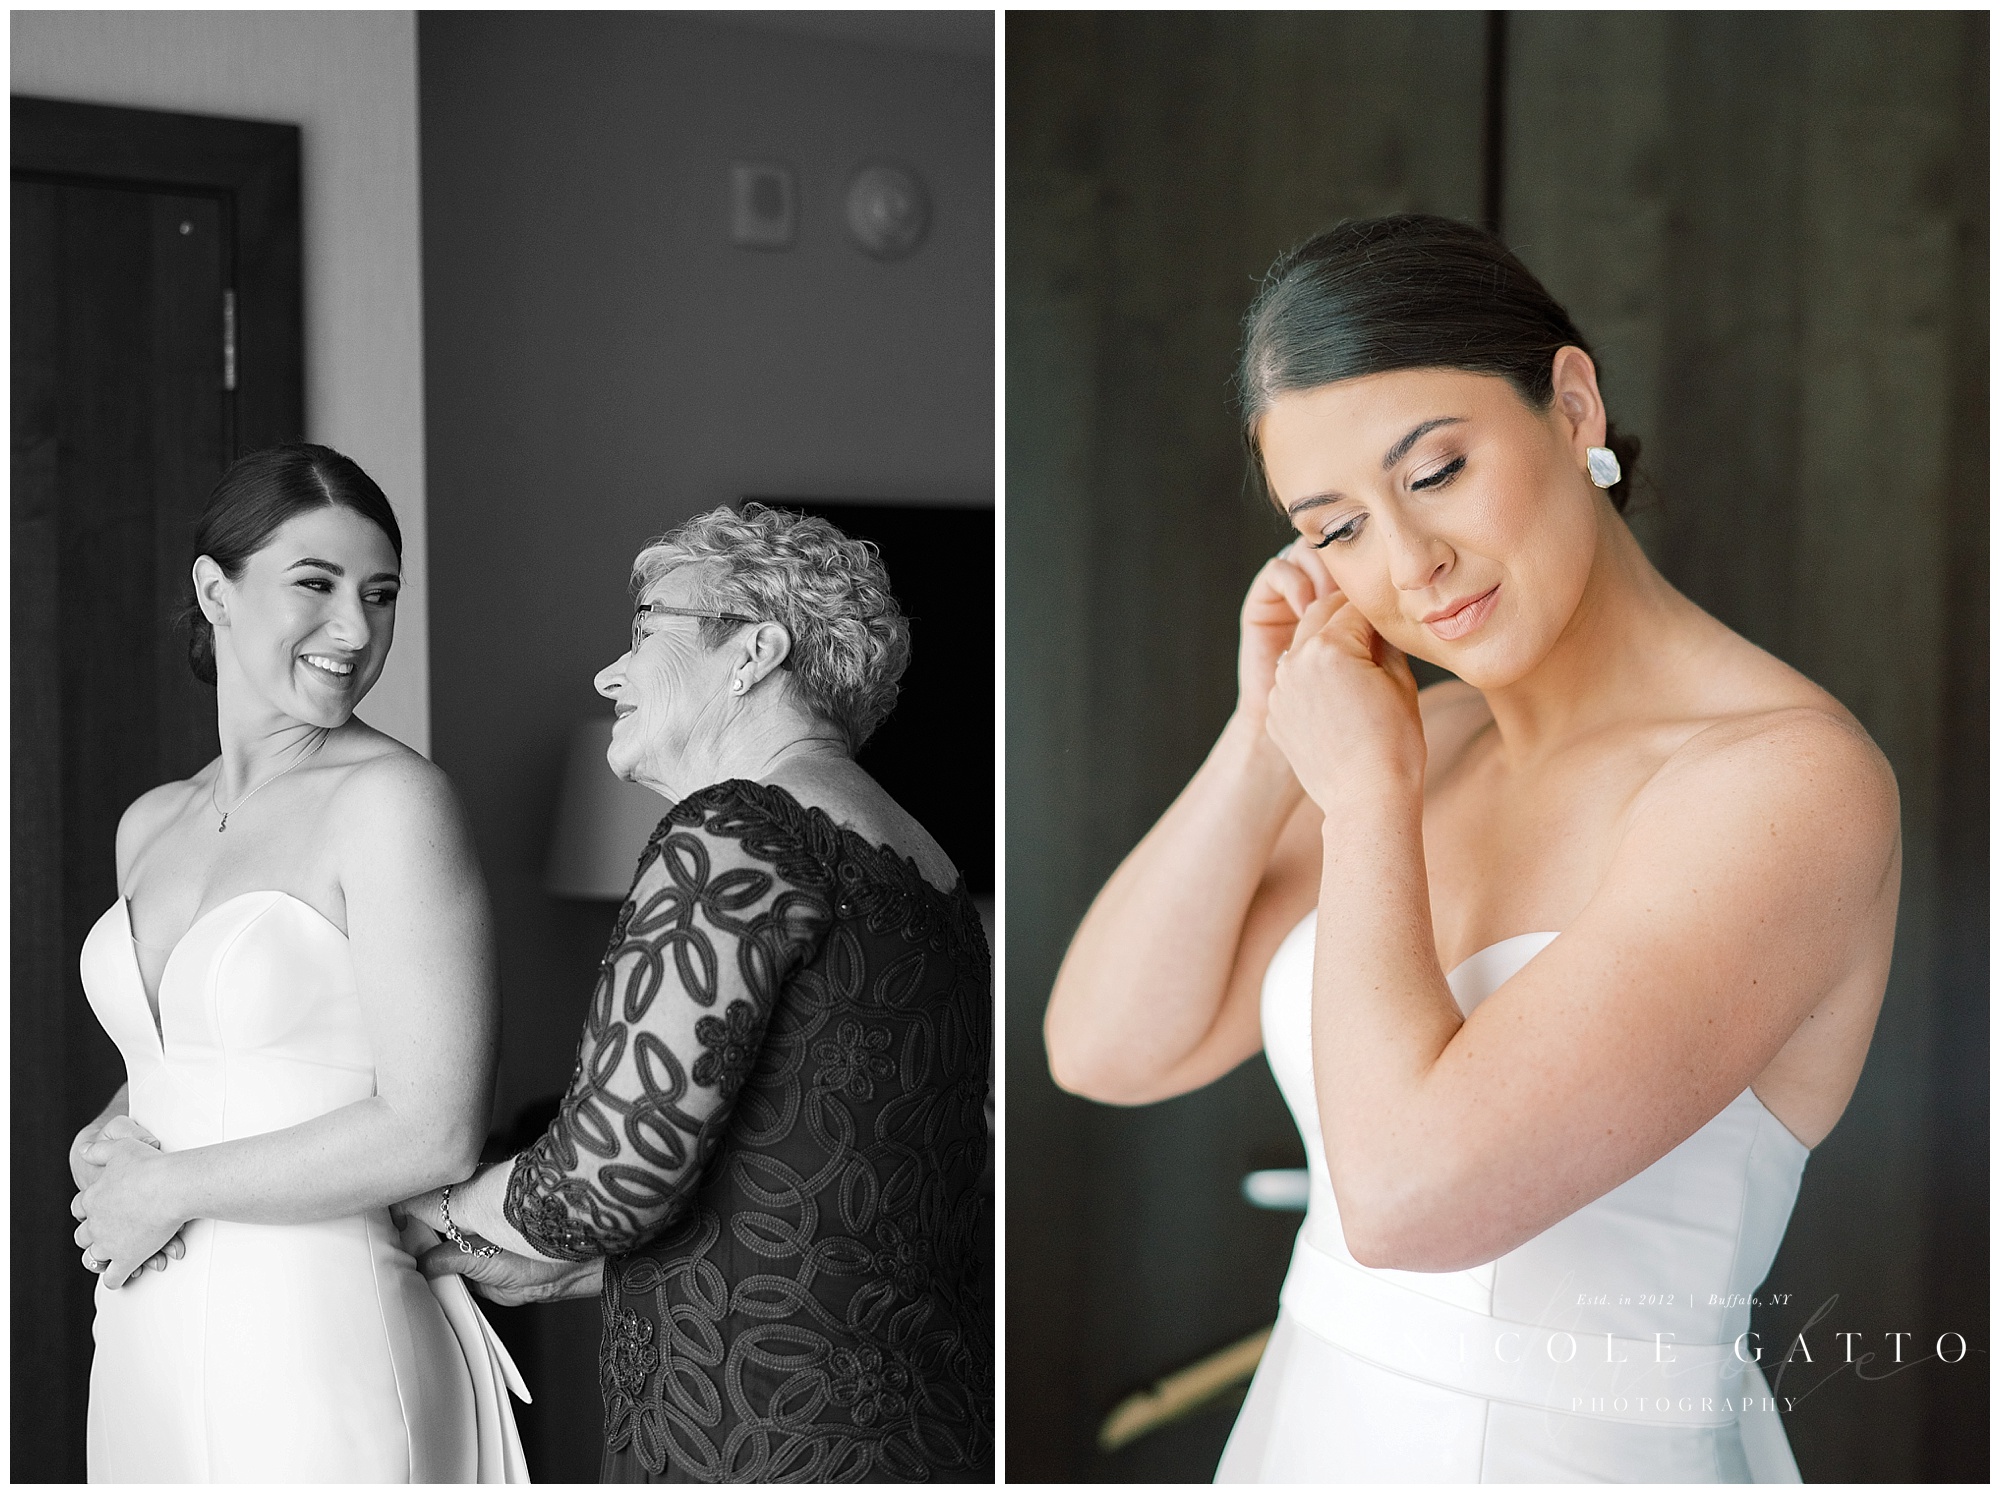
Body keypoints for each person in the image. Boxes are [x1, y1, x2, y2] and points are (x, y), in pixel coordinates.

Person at [1044, 215, 1899, 1483]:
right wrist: (1261, 737)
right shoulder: (1409, 738)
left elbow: (1403, 1203)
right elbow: (1106, 1047)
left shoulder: (1781, 784)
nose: (1406, 564)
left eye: (1435, 471)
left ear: (1568, 405)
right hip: (1309, 1429)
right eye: (1333, 529)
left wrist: (1367, 805)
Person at [405, 503, 994, 1483]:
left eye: (644, 631)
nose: (610, 672)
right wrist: (592, 1269)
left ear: (754, 651)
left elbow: (603, 1174)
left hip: (756, 1441)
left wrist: (434, 1211)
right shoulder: (926, 870)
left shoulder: (736, 832)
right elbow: (828, 1178)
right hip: (917, 1425)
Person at [69, 443, 527, 1481]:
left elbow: (435, 1126)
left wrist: (168, 1184)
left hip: (317, 1339)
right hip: (144, 1333)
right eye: (315, 585)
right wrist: (107, 1139)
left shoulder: (392, 803)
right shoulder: (151, 824)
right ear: (213, 592)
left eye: (380, 594)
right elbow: (204, 1057)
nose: (357, 631)